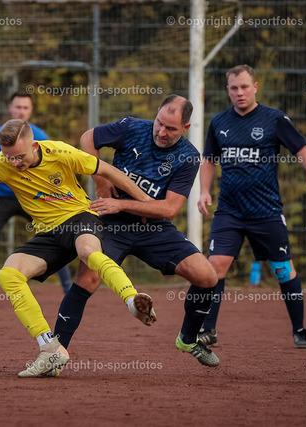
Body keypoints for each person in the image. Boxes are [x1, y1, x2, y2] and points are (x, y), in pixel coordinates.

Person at [0, 119, 156, 377]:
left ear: (34, 145)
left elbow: (108, 170)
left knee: (88, 252)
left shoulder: (60, 152)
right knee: (8, 274)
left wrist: (145, 201)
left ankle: (132, 300)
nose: (14, 163)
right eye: (9, 157)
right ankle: (50, 348)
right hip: (49, 233)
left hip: (80, 218)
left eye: (19, 156)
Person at [53, 94, 220, 367]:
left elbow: (169, 209)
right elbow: (87, 139)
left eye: (171, 129)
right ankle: (54, 354)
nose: (161, 132)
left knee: (207, 276)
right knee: (87, 279)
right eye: (159, 123)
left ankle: (188, 339)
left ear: (186, 128)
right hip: (111, 223)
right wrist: (100, 182)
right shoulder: (131, 127)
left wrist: (121, 203)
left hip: (153, 227)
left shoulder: (189, 157)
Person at [198, 64, 306, 349]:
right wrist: (204, 191)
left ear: (255, 87)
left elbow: (301, 149)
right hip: (229, 211)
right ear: (228, 90)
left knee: (283, 270)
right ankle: (209, 329)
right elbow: (209, 160)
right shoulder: (219, 122)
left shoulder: (274, 118)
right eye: (234, 88)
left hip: (266, 211)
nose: (239, 92)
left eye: (244, 87)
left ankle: (299, 330)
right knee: (215, 266)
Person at [0, 92, 71, 304]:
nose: (21, 111)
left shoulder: (40, 136)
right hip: (1, 197)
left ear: (30, 111)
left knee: (57, 238)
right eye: (18, 107)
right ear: (10, 109)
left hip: (33, 198)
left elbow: (51, 168)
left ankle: (69, 291)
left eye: (25, 107)